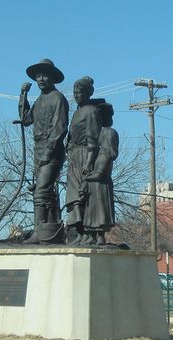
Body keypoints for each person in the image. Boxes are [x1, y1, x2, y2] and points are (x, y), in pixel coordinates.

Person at [18, 59, 69, 242]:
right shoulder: (39, 100)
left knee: (41, 190)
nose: (40, 79)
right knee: (45, 192)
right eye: (38, 76)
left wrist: (48, 151)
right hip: (38, 148)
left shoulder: (58, 99)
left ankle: (40, 231)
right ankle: (49, 228)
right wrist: (23, 94)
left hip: (52, 150)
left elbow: (60, 128)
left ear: (53, 78)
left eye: (44, 75)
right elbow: (26, 119)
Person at [65, 76, 102, 244]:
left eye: (79, 92)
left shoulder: (91, 111)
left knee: (83, 195)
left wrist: (88, 162)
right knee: (73, 197)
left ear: (88, 93)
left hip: (84, 156)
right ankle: (76, 231)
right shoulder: (77, 112)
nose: (76, 95)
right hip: (73, 158)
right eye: (74, 92)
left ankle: (88, 233)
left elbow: (94, 141)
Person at [82, 103, 119, 245]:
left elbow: (109, 154)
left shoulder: (109, 133)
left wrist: (97, 172)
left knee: (101, 209)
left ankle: (100, 236)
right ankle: (91, 235)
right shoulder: (99, 134)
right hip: (94, 180)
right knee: (91, 209)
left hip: (101, 180)